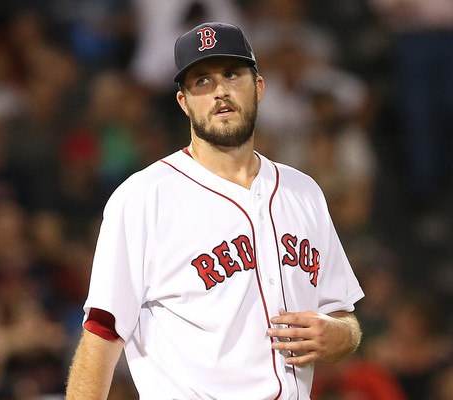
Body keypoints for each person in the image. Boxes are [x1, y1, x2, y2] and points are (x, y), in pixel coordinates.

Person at [65, 22, 364, 400]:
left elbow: (342, 316)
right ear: (183, 102)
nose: (220, 90)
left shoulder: (302, 191)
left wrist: (338, 334)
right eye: (201, 81)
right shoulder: (143, 197)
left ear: (258, 87)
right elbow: (102, 334)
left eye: (232, 74)